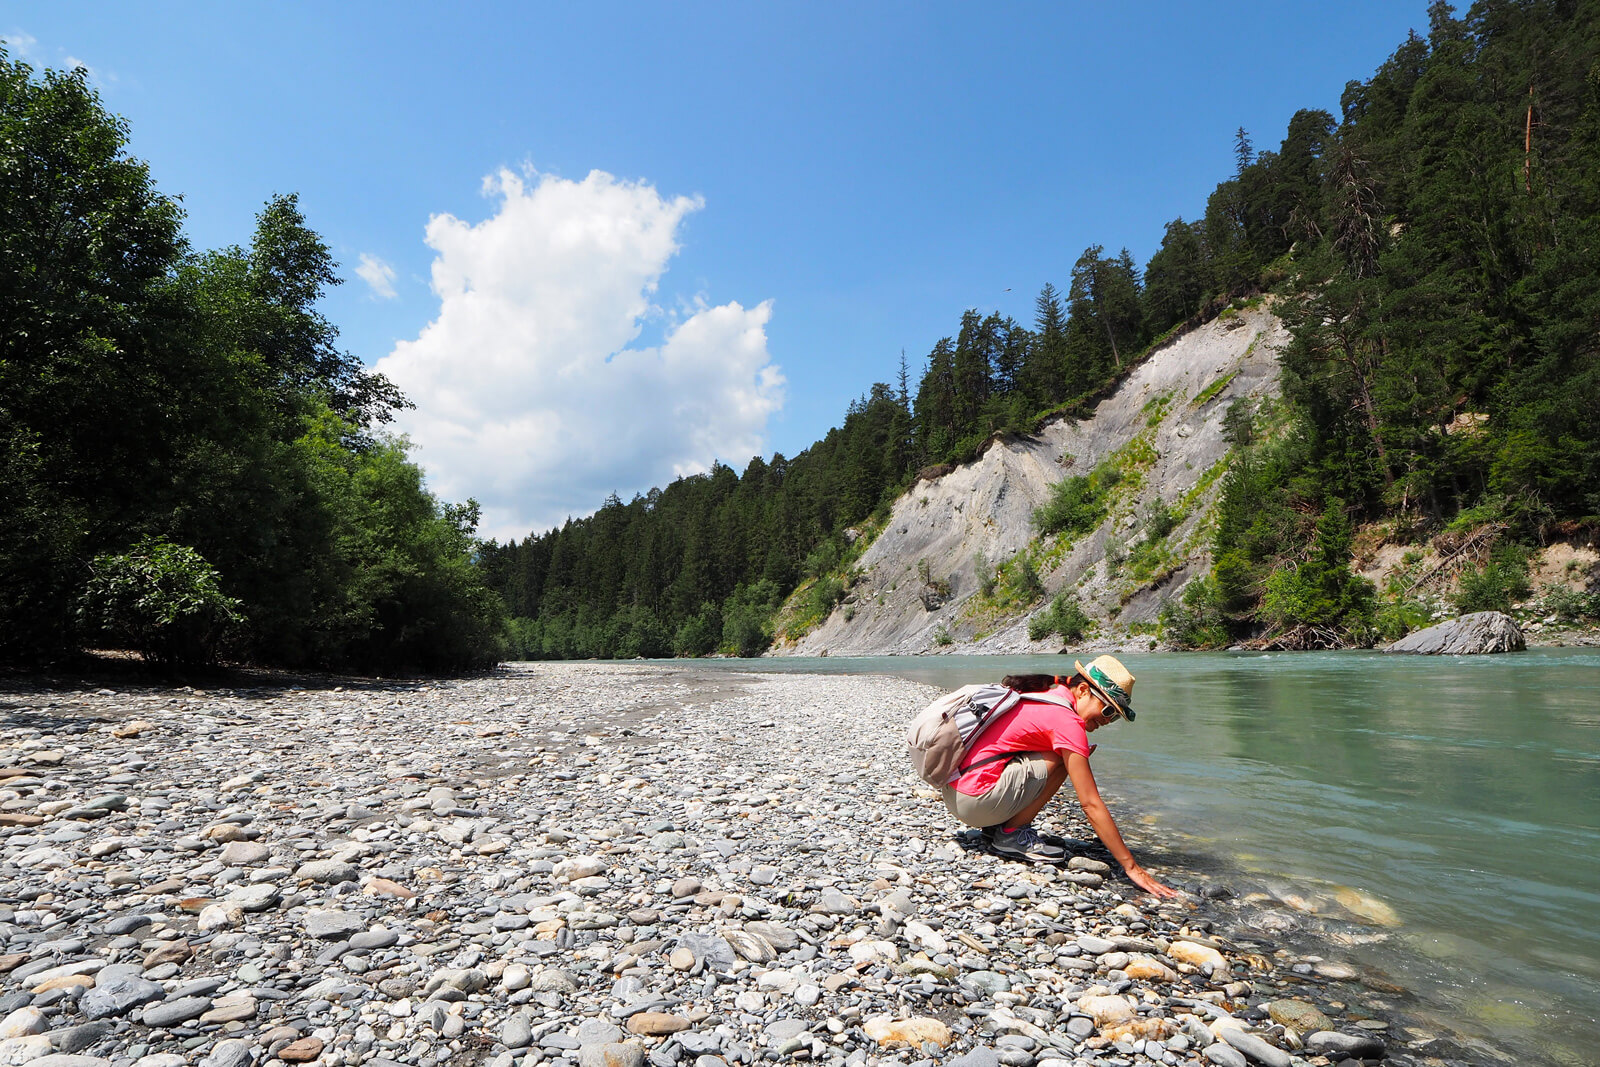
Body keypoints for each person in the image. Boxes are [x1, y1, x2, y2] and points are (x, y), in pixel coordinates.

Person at [938, 654, 1177, 897]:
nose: (1107, 720)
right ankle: (1010, 834)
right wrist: (1132, 867)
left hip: (957, 791)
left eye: (1115, 716)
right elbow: (1090, 803)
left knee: (1063, 755)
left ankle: (1001, 827)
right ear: (1083, 690)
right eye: (1107, 710)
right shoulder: (1067, 722)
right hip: (974, 802)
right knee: (1064, 760)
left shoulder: (1048, 696)